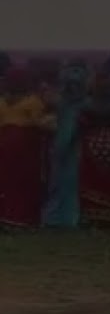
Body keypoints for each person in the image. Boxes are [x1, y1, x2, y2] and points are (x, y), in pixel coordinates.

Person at [0, 67, 53, 227]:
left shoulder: (3, 101)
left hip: (12, 146)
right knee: (21, 181)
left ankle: (10, 216)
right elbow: (40, 123)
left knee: (10, 181)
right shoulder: (32, 101)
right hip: (23, 147)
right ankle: (20, 217)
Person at [78, 71, 110, 226]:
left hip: (92, 143)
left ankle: (93, 215)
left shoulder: (86, 105)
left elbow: (81, 124)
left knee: (93, 179)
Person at [43, 62, 89, 228]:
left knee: (72, 183)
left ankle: (69, 218)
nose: (72, 88)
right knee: (56, 182)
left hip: (75, 148)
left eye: (76, 85)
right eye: (70, 85)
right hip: (58, 146)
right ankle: (53, 218)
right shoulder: (59, 103)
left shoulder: (85, 104)